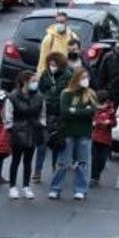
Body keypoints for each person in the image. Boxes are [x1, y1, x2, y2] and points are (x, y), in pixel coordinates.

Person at [51, 68, 95, 201]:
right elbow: (65, 112)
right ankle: (55, 189)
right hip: (68, 132)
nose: (85, 80)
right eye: (82, 77)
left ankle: (81, 189)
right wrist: (82, 111)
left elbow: (91, 112)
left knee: (82, 163)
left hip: (84, 133)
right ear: (76, 79)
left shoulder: (91, 94)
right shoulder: (66, 93)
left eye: (87, 77)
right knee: (63, 163)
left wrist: (74, 110)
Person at [4, 70, 43, 199]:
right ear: (25, 82)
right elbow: (7, 115)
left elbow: (43, 113)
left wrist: (41, 126)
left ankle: (26, 186)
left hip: (33, 130)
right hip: (18, 131)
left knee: (28, 160)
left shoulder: (39, 96)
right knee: (15, 160)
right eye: (33, 81)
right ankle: (13, 187)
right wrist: (11, 128)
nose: (36, 83)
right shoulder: (13, 96)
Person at [35, 52, 71, 181]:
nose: (52, 67)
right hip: (46, 113)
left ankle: (55, 169)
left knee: (57, 143)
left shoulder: (67, 75)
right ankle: (37, 171)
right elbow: (39, 90)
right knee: (42, 144)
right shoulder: (45, 74)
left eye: (55, 65)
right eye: (50, 64)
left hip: (60, 114)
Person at [36, 11, 79, 76]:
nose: (59, 24)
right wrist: (41, 75)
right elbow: (43, 59)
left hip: (69, 73)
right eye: (57, 22)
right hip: (54, 73)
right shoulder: (49, 38)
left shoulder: (73, 37)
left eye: (61, 22)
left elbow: (77, 57)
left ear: (66, 22)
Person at [90, 91, 116, 182]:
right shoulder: (93, 109)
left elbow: (114, 122)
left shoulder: (111, 110)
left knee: (102, 160)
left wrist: (109, 123)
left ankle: (97, 174)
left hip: (105, 139)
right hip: (94, 137)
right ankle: (94, 176)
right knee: (94, 158)